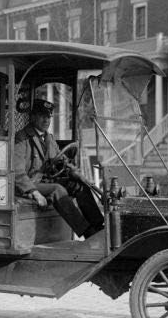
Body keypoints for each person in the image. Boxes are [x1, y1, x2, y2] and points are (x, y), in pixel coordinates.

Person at [12, 98, 104, 239]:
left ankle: (98, 227)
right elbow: (17, 173)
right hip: (28, 185)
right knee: (57, 190)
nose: (47, 120)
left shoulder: (48, 138)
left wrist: (73, 171)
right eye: (43, 116)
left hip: (44, 181)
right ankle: (87, 232)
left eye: (49, 116)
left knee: (79, 186)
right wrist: (35, 192)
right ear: (33, 117)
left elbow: (60, 160)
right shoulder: (22, 138)